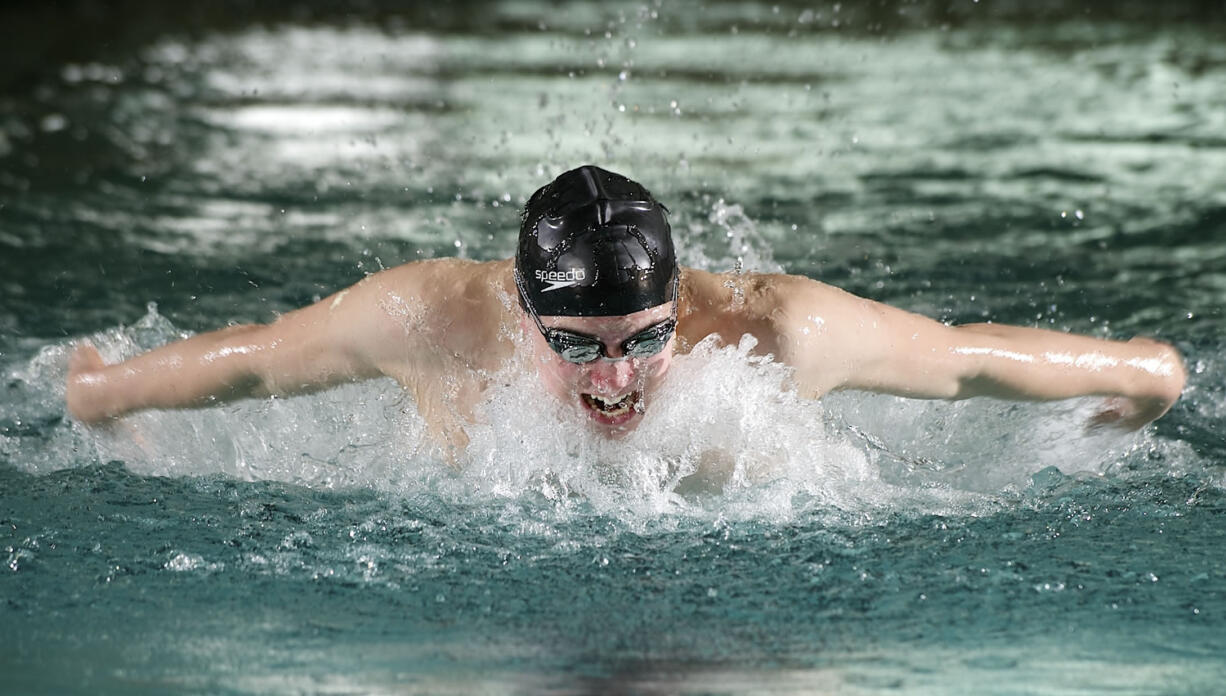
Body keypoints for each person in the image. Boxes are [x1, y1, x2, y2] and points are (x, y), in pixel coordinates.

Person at [66, 165, 1186, 452]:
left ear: (678, 305)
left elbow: (959, 361)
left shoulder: (766, 330)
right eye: (578, 349)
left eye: (643, 341)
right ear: (519, 313)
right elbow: (260, 363)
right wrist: (109, 389)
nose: (616, 381)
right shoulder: (430, 319)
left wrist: (1137, 373)